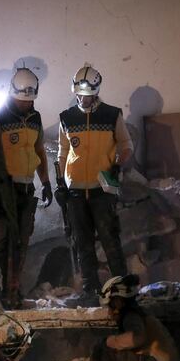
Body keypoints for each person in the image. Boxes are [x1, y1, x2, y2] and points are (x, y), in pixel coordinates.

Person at [58, 65, 132, 305]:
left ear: (96, 91)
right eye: (80, 94)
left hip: (103, 189)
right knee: (83, 242)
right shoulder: (67, 118)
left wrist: (118, 165)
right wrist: (61, 182)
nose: (84, 99)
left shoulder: (112, 115)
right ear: (75, 92)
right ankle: (89, 290)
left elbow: (126, 145)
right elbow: (62, 153)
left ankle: (122, 289)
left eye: (89, 95)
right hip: (76, 190)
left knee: (110, 239)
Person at [0, 68, 52, 308]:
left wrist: (47, 182)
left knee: (20, 242)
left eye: (29, 99)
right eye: (22, 99)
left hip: (25, 188)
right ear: (12, 93)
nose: (25, 103)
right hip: (0, 190)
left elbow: (39, 150)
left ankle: (12, 292)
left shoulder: (36, 118)